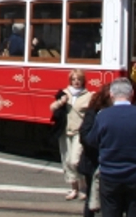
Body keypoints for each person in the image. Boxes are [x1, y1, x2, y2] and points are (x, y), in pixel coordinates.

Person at [87, 77, 136, 217]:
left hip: (110, 175)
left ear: (111, 95)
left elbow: (92, 140)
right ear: (132, 94)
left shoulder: (103, 115)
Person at [50, 69, 93, 201]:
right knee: (67, 161)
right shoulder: (64, 93)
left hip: (79, 132)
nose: (76, 82)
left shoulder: (89, 95)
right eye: (74, 80)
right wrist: (61, 102)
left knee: (75, 161)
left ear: (83, 81)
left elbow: (92, 113)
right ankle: (74, 188)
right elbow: (52, 108)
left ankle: (83, 187)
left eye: (79, 80)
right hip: (64, 131)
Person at [79, 83, 112, 217]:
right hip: (92, 160)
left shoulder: (118, 111)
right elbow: (84, 135)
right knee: (90, 198)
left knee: (109, 200)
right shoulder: (93, 110)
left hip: (109, 161)